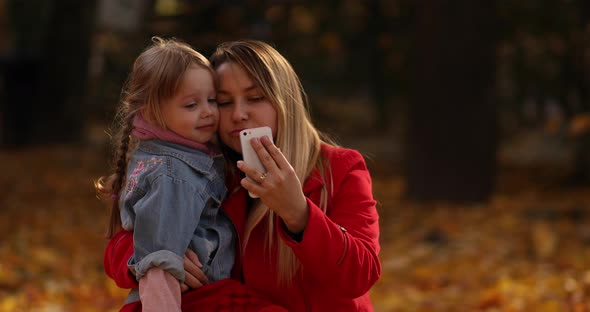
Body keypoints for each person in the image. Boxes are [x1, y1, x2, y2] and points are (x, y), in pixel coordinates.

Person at [104, 39, 381, 311]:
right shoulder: (209, 169)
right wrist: (146, 256)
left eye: (255, 98)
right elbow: (120, 243)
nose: (238, 114)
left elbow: (361, 275)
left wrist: (299, 214)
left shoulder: (337, 169)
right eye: (223, 102)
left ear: (285, 101)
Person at [96, 37, 283, 312]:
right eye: (191, 105)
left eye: (211, 100)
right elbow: (159, 262)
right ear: (151, 112)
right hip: (191, 299)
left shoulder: (175, 153)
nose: (208, 112)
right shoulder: (173, 173)